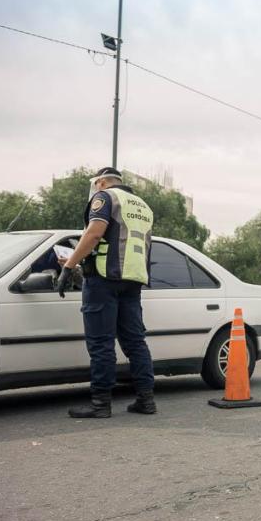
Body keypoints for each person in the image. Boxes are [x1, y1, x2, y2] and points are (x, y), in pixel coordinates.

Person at [56, 167, 156, 418]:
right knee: (135, 342)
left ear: (101, 182)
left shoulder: (105, 197)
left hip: (103, 278)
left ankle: (100, 404)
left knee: (101, 343)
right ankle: (146, 400)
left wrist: (68, 267)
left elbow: (95, 232)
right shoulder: (143, 205)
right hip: (133, 278)